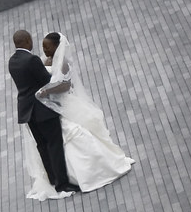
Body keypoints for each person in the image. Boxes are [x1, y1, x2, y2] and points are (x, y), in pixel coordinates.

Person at [22, 31, 134, 200]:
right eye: (43, 46)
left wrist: (47, 91)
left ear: (56, 47)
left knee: (75, 134)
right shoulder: (45, 62)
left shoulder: (64, 63)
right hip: (53, 106)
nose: (44, 49)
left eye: (47, 46)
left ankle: (91, 172)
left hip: (63, 104)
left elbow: (66, 86)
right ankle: (64, 176)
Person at [9, 30, 81, 197]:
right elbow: (46, 81)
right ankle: (62, 184)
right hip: (42, 110)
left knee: (42, 146)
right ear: (27, 41)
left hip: (27, 111)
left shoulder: (12, 61)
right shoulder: (32, 60)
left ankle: (53, 179)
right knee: (54, 144)